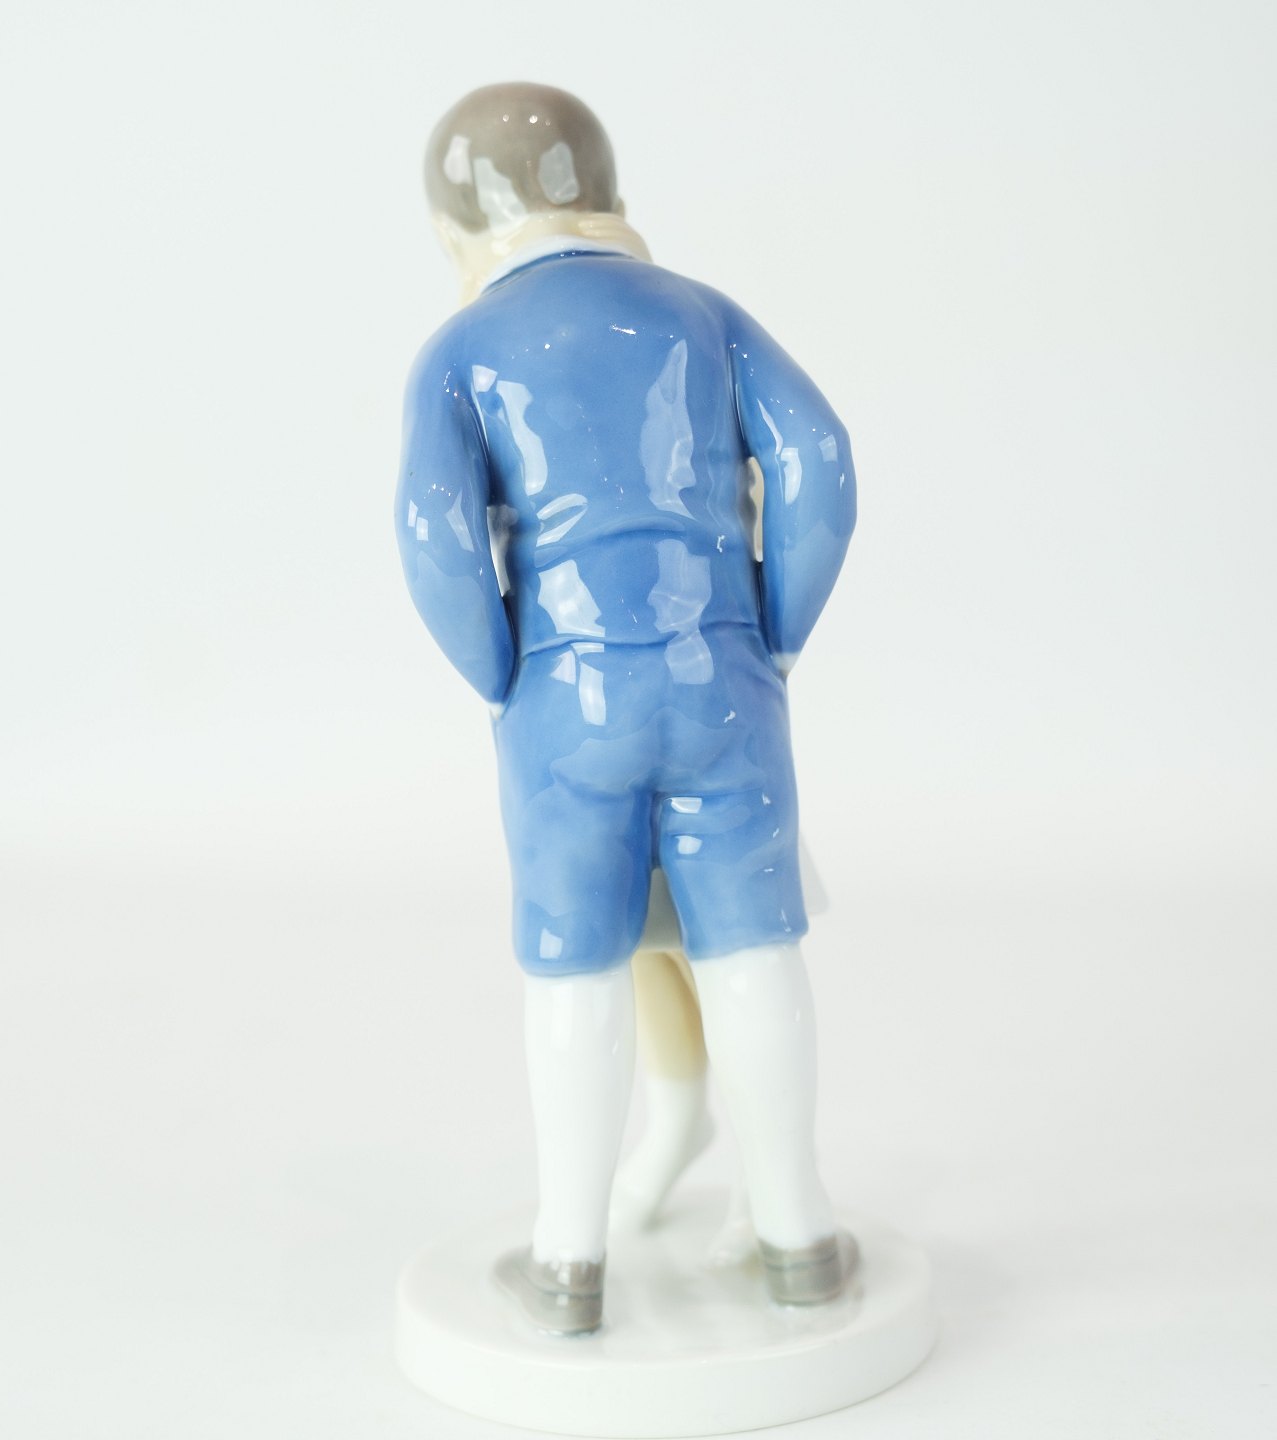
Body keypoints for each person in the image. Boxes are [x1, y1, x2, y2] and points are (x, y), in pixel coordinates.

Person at [396, 82, 857, 1335]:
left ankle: (567, 1265)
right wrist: (773, 630)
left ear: (451, 231)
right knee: (751, 947)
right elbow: (816, 461)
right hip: (722, 680)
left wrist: (502, 673)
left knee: (575, 965)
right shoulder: (702, 313)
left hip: (566, 701)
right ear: (610, 196)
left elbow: (435, 536)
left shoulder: (460, 351)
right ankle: (799, 1239)